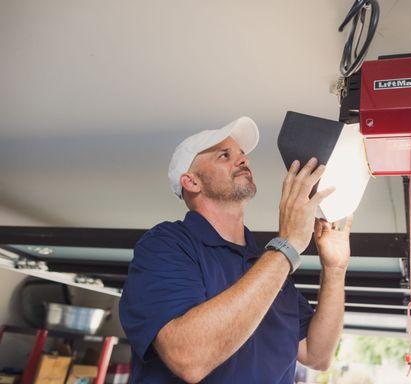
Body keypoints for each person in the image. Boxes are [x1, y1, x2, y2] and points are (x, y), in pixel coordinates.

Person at [119, 117, 353, 383]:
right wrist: (286, 246)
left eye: (242, 154)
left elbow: (316, 354)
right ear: (191, 182)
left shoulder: (266, 265)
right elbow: (189, 358)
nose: (243, 160)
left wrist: (335, 269)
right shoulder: (167, 245)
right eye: (224, 155)